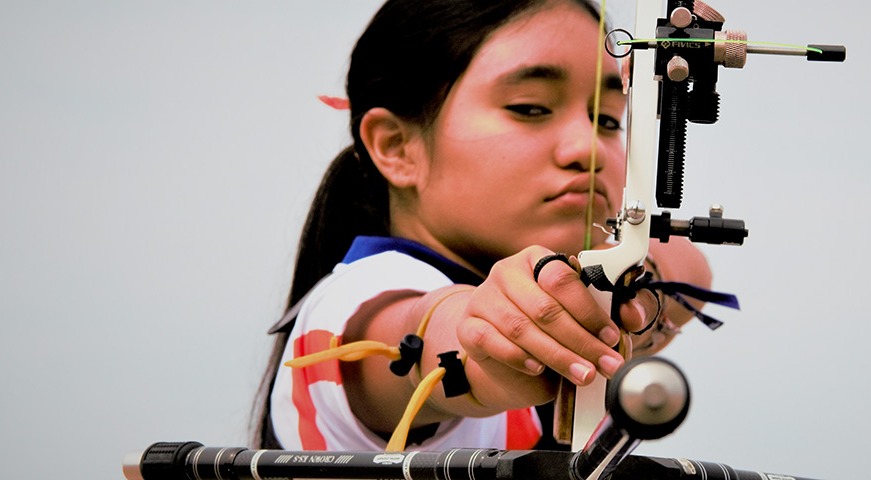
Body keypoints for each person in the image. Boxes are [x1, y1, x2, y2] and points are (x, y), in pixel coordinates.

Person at [253, 0, 714, 452]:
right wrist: (491, 332)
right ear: (396, 147)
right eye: (530, 108)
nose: (585, 146)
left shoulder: (560, 284)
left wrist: (622, 279)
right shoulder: (353, 303)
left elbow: (691, 270)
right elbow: (436, 333)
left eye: (608, 118)